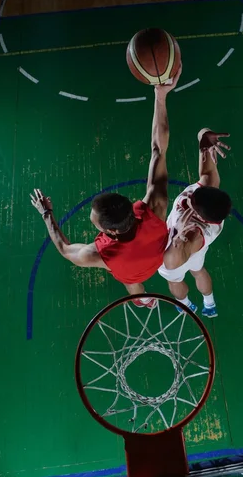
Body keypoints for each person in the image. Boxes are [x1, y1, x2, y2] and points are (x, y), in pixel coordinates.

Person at [30, 65, 182, 308]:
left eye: (96, 222)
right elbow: (158, 149)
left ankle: (142, 299)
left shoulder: (100, 254)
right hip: (157, 257)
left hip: (135, 273)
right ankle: (143, 293)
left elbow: (65, 248)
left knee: (131, 281)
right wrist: (160, 96)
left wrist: (46, 213)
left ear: (111, 232)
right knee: (132, 268)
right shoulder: (156, 206)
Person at [158, 128, 231, 317]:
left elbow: (171, 262)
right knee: (198, 270)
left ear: (199, 215)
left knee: (175, 280)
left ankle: (184, 305)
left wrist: (176, 238)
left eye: (192, 200)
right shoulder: (209, 187)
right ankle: (209, 303)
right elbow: (206, 170)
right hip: (196, 253)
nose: (190, 195)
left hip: (180, 251)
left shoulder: (194, 235)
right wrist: (204, 137)